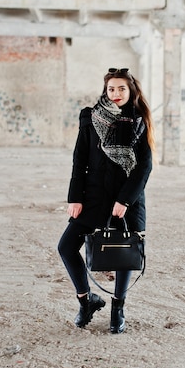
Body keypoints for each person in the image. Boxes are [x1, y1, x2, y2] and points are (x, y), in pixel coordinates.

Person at [58, 68, 155, 333]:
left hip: (127, 199)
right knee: (66, 246)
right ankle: (86, 299)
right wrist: (75, 198)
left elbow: (144, 167)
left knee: (124, 253)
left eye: (121, 89)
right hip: (93, 196)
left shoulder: (137, 121)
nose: (116, 94)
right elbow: (80, 160)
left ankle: (117, 308)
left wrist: (125, 200)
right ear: (105, 90)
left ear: (131, 90)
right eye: (111, 89)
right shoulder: (90, 118)